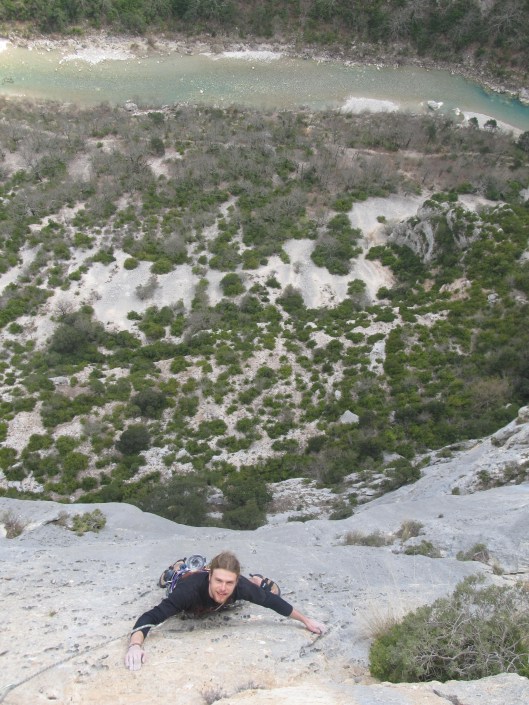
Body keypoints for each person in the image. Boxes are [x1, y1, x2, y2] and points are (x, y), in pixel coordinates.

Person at [125, 550, 326, 671]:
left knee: (272, 591)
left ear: (237, 581)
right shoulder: (188, 592)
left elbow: (271, 601)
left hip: (221, 592)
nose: (223, 588)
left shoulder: (241, 587)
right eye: (218, 581)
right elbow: (151, 616)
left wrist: (306, 621)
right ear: (210, 577)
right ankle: (178, 567)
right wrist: (135, 645)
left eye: (229, 582)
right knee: (170, 578)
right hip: (186, 583)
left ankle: (257, 579)